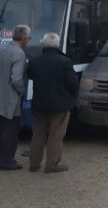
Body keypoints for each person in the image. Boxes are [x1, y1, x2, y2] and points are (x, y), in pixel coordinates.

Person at [27, 33, 78, 174]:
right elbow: (73, 84)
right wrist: (72, 98)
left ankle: (34, 164)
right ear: (58, 45)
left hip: (39, 104)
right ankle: (53, 164)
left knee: (38, 134)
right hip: (59, 105)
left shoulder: (35, 61)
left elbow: (30, 75)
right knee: (56, 135)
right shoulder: (65, 62)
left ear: (43, 45)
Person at [0, 25, 30, 170]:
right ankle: (7, 161)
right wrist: (22, 91)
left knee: (1, 129)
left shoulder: (0, 49)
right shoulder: (19, 54)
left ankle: (2, 157)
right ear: (24, 39)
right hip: (11, 98)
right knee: (11, 130)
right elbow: (16, 79)